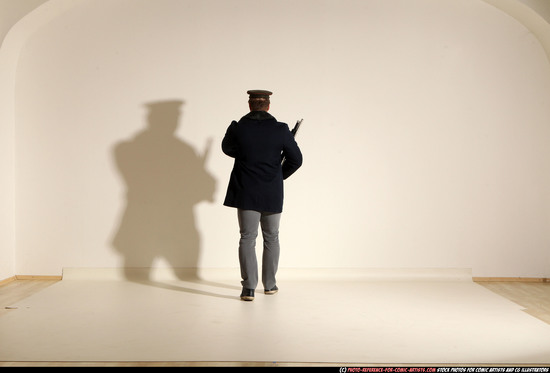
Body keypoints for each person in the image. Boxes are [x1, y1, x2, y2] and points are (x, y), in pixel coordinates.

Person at [222, 90, 303, 301]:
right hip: (271, 191)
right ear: (268, 106)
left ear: (250, 105)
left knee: (247, 238)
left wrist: (247, 153)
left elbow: (226, 148)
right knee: (272, 237)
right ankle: (270, 285)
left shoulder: (238, 128)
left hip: (246, 190)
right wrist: (278, 176)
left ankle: (248, 288)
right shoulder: (281, 129)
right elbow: (296, 160)